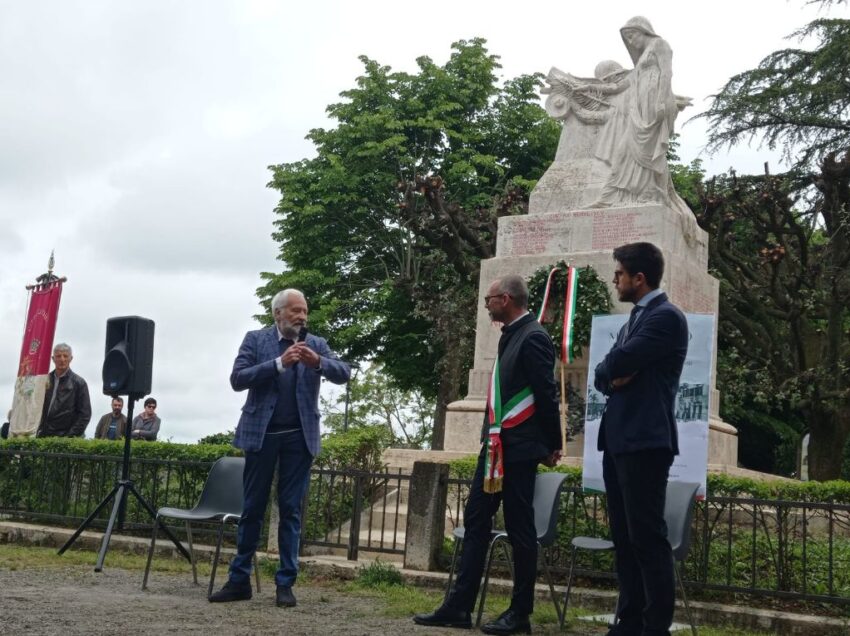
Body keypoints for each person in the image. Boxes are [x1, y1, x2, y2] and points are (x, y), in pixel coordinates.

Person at [414, 275, 561, 635]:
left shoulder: (534, 337)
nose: (486, 305)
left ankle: (520, 613)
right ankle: (459, 606)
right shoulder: (511, 335)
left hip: (520, 449)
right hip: (495, 447)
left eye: (489, 299)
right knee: (476, 520)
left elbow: (546, 393)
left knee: (520, 528)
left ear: (506, 299)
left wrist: (552, 444)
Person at [209, 288, 350, 608]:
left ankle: (285, 583)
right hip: (261, 435)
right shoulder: (256, 340)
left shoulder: (316, 345)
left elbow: (344, 373)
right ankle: (239, 580)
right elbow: (237, 379)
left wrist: (319, 363)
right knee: (252, 508)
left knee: (291, 511)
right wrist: (278, 364)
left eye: (304, 311)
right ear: (278, 314)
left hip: (299, 438)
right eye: (295, 310)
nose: (302, 316)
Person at [594, 242, 688, 636]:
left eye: (618, 273)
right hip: (618, 441)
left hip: (646, 441)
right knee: (624, 538)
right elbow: (602, 373)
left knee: (647, 538)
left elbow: (618, 362)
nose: (614, 279)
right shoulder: (636, 319)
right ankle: (627, 622)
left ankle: (654, 627)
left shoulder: (666, 318)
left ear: (639, 277)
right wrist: (614, 373)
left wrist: (616, 370)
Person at [592, 16, 677, 208]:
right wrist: (593, 88)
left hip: (654, 103)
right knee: (624, 149)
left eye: (632, 35)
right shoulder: (642, 58)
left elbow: (667, 73)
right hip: (639, 107)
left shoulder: (660, 44)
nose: (631, 41)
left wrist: (661, 101)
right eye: (627, 38)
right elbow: (624, 84)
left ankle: (651, 193)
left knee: (649, 151)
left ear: (643, 30)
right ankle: (609, 197)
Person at [36, 343, 91, 437]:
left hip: (63, 439)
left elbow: (85, 415)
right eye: (58, 356)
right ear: (53, 359)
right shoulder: (44, 380)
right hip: (42, 435)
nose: (62, 359)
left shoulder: (79, 383)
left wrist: (68, 438)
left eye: (65, 356)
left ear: (71, 358)